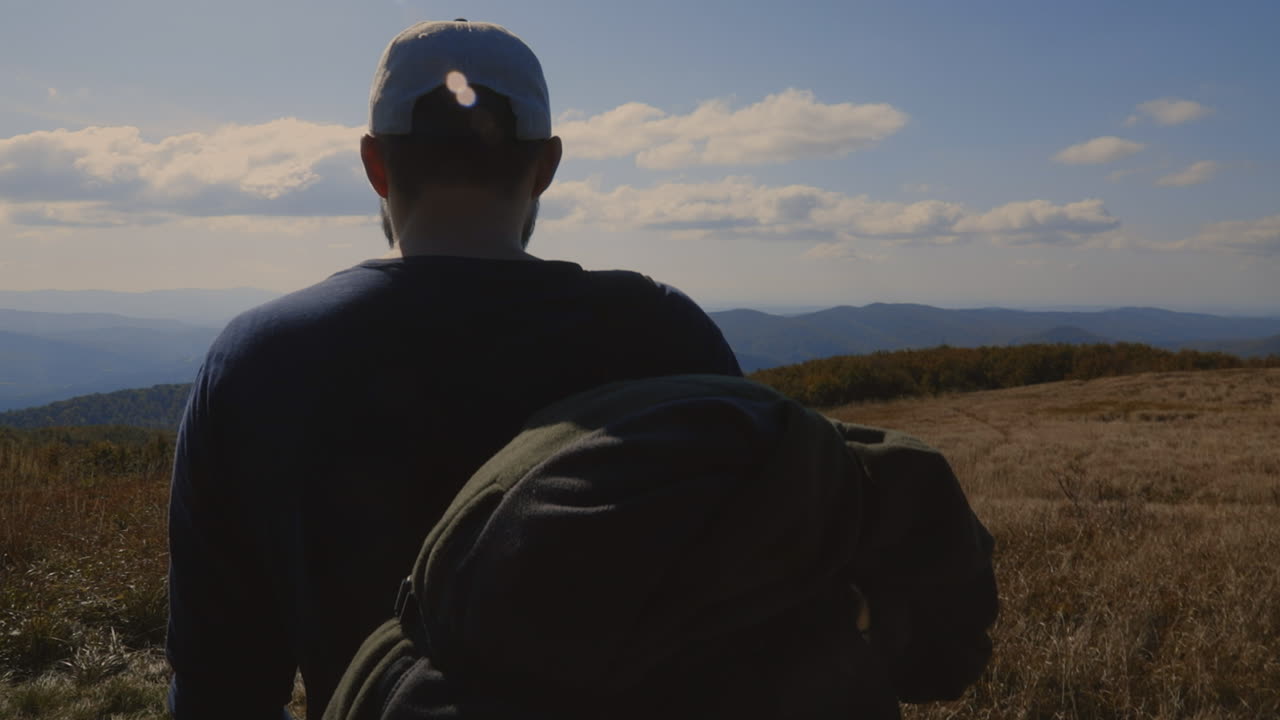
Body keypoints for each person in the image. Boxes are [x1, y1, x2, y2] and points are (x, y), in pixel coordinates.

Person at [165, 20, 742, 720]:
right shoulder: (667, 334)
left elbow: (218, 686)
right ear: (547, 166)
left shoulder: (258, 359)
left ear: (375, 164)